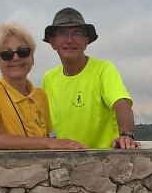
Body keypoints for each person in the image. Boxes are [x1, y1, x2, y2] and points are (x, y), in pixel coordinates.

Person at [0, 22, 86, 151]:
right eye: (6, 54)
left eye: (23, 52)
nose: (15, 58)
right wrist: (48, 143)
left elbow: (50, 137)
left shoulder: (41, 95)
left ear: (32, 57)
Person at [41, 8, 140, 149]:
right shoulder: (48, 78)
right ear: (53, 42)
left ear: (86, 41)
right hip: (63, 163)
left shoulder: (103, 69)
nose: (69, 40)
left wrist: (126, 134)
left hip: (103, 163)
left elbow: (121, 103)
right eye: (62, 33)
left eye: (77, 34)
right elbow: (44, 123)